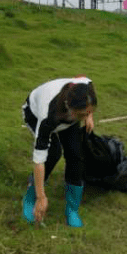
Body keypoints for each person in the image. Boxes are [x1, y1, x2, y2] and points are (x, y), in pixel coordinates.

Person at [21, 77, 97, 227]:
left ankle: (72, 209)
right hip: (35, 114)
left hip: (69, 117)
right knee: (53, 153)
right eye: (83, 114)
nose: (85, 116)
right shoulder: (47, 116)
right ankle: (30, 197)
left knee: (75, 154)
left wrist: (89, 116)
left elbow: (83, 78)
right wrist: (41, 197)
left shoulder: (86, 88)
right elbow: (39, 160)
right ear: (71, 107)